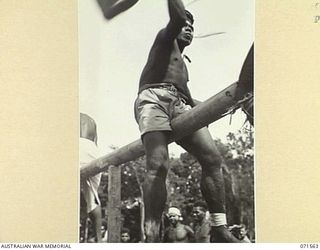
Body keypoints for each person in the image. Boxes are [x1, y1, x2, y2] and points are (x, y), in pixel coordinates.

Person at [134, 0, 239, 242]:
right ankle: (151, 233)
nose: (189, 27)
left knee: (213, 158)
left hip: (180, 104)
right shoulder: (164, 39)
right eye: (185, 23)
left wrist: (230, 106)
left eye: (193, 25)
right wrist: (179, 16)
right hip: (154, 100)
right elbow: (178, 18)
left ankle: (220, 228)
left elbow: (192, 102)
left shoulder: (182, 64)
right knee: (159, 165)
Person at [80, 113, 103, 242]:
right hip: (92, 150)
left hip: (75, 147)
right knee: (93, 198)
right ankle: (99, 239)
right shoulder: (90, 120)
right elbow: (96, 142)